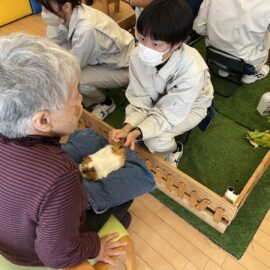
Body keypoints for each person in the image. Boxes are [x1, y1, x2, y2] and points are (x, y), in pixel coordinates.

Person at [0, 33, 155, 269]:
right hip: (35, 252)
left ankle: (91, 188)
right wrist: (95, 246)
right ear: (43, 120)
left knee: (85, 137)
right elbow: (57, 255)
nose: (81, 100)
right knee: (138, 177)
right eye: (75, 96)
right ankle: (90, 192)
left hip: (14, 228)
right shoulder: (60, 175)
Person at [109, 0, 214, 167]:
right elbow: (139, 98)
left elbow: (169, 113)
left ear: (177, 44)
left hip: (193, 105)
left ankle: (174, 149)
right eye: (142, 38)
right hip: (160, 100)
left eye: (156, 44)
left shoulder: (192, 70)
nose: (145, 47)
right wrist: (126, 128)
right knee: (146, 129)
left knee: (155, 141)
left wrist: (138, 132)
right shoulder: (138, 55)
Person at [40, 0, 135, 120]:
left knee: (77, 80)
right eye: (42, 7)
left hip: (123, 67)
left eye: (47, 9)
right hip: (104, 58)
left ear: (66, 7)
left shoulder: (86, 29)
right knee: (61, 62)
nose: (43, 12)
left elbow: (74, 66)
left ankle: (106, 103)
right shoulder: (62, 15)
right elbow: (52, 44)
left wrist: (52, 77)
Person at [193, 0, 270, 84]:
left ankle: (223, 68)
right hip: (247, 62)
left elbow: (199, 28)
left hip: (214, 53)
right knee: (266, 35)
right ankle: (251, 75)